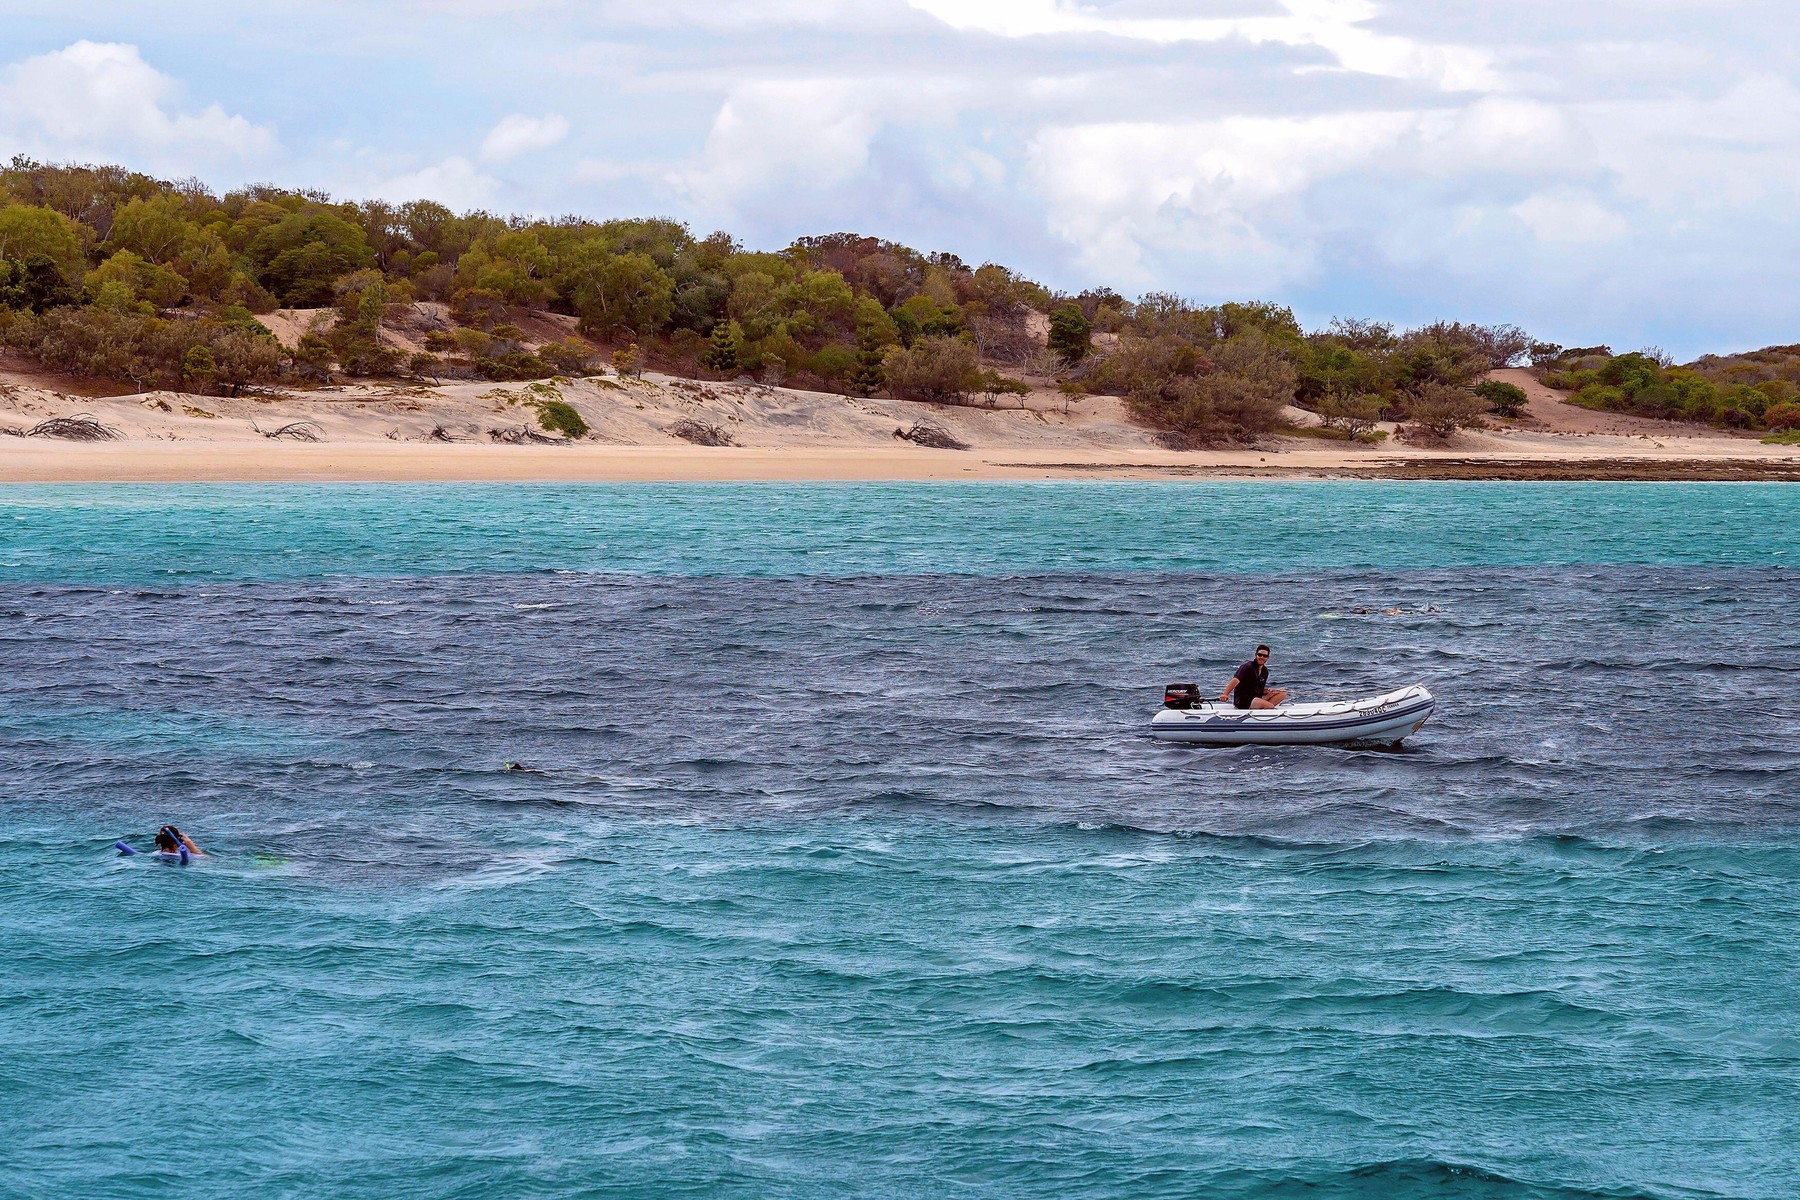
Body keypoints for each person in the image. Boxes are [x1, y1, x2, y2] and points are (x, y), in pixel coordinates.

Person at [1221, 644, 1288, 710]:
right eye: (1260, 655)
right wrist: (1225, 694)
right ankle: (1267, 707)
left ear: (1268, 658)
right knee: (1269, 705)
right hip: (1243, 700)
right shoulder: (1247, 666)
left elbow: (1259, 689)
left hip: (1255, 697)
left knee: (1282, 693)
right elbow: (1235, 680)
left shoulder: (1265, 671)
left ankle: (1264, 709)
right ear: (1255, 655)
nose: (1262, 657)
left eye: (1265, 656)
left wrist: (1269, 691)